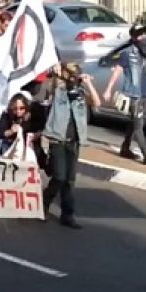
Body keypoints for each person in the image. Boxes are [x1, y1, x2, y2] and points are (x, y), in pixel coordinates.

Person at [42, 64, 101, 229]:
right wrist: (56, 75)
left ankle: (67, 214)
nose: (74, 78)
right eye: (72, 75)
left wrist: (88, 83)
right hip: (57, 139)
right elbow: (51, 88)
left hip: (74, 141)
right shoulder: (59, 91)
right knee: (59, 176)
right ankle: (44, 202)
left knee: (69, 180)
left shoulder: (81, 94)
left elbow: (97, 102)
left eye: (77, 75)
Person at [103, 23, 146, 164]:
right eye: (139, 34)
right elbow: (118, 70)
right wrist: (109, 89)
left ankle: (125, 148)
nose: (142, 37)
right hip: (134, 93)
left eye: (143, 33)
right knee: (138, 123)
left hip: (145, 91)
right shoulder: (127, 53)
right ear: (133, 37)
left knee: (134, 122)